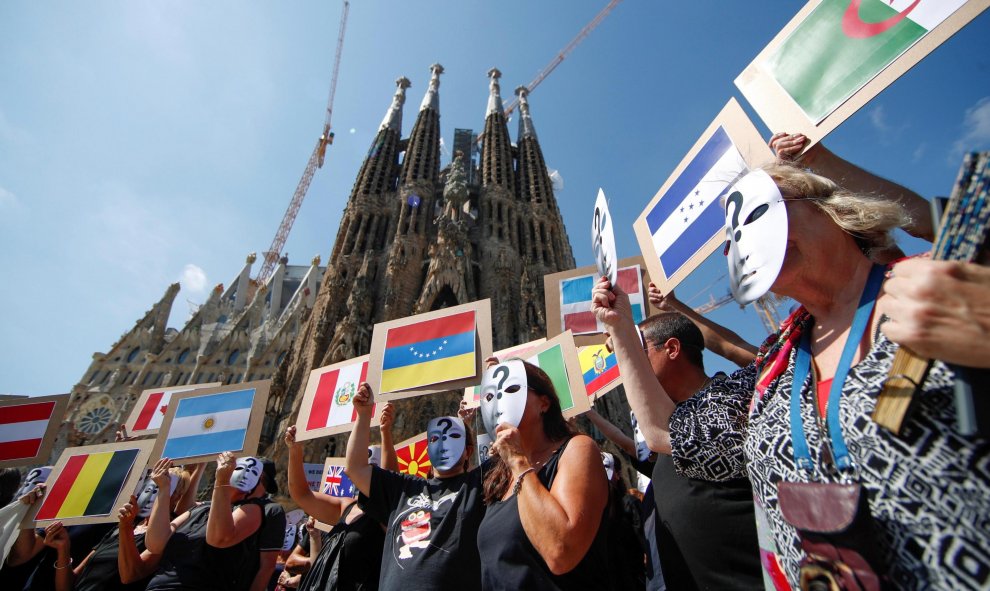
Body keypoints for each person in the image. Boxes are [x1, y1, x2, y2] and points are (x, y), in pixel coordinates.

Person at [593, 163, 990, 589]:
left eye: (759, 214)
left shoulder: (936, 286)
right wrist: (619, 326)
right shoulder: (774, 368)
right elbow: (663, 433)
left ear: (831, 209)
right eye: (732, 237)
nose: (743, 243)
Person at [602, 308, 765, 589]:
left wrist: (621, 330)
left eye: (639, 351)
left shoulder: (730, 399)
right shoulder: (674, 432)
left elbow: (658, 432)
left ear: (672, 349)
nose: (627, 364)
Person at [476, 359, 609, 591]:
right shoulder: (498, 478)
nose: (498, 402)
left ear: (544, 404)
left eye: (511, 390)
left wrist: (518, 461)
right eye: (490, 397)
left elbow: (561, 551)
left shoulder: (576, 449)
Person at [345, 384, 486, 591]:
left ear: (468, 451)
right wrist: (364, 415)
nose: (443, 445)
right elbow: (355, 468)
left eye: (454, 438)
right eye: (435, 439)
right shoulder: (403, 488)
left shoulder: (477, 486)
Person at [283, 402, 396, 591]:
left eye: (372, 471)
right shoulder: (347, 506)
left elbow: (390, 485)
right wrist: (295, 450)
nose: (366, 476)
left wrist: (385, 432)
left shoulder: (386, 513)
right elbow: (302, 495)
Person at [143, 453, 277, 591]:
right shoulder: (200, 509)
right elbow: (156, 544)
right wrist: (164, 488)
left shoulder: (252, 509)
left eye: (254, 474)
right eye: (239, 468)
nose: (245, 475)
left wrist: (222, 482)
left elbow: (218, 538)